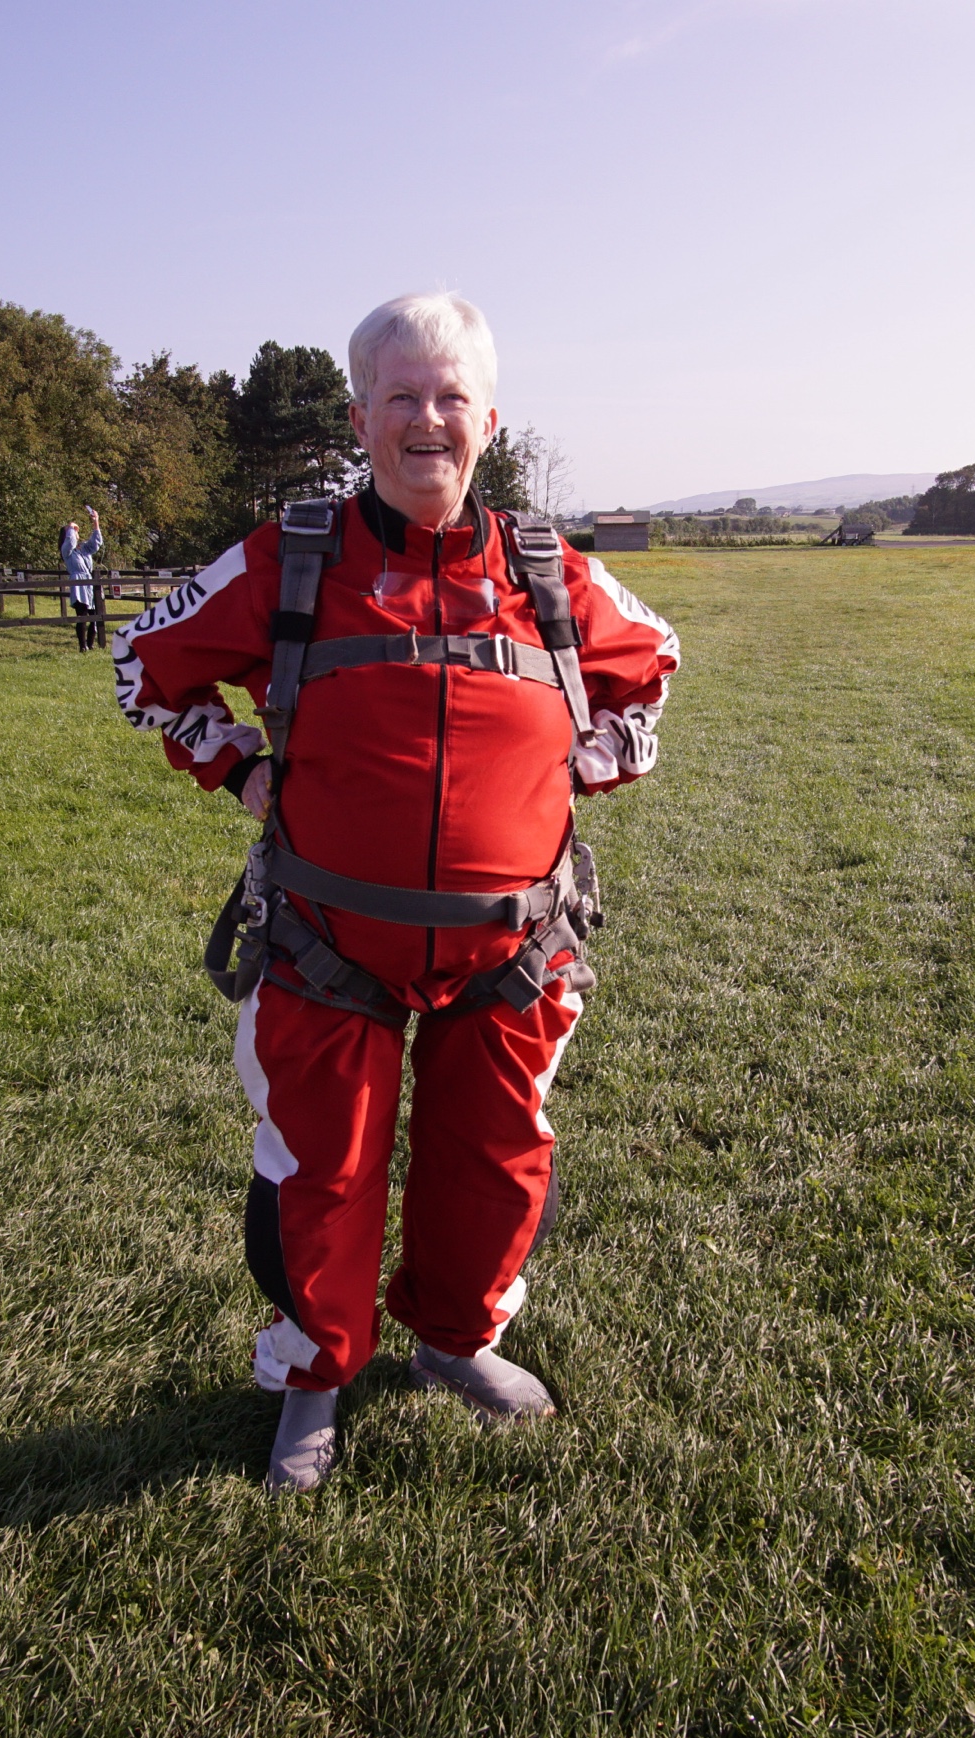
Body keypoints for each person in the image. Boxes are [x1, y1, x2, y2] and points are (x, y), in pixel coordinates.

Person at [112, 294, 679, 1492]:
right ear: (360, 417)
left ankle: (456, 1342)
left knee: (493, 1164)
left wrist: (590, 761)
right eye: (402, 397)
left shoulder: (546, 570)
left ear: (488, 420)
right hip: (328, 947)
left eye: (451, 397)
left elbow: (653, 669)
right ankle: (314, 1376)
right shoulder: (291, 560)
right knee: (320, 1176)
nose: (428, 420)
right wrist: (237, 766)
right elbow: (142, 664)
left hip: (511, 954)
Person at [61, 506, 104, 650]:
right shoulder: (67, 551)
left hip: (90, 582)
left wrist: (96, 521)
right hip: (78, 584)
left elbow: (96, 542)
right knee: (82, 616)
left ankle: (91, 644)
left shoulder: (84, 548)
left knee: (94, 615)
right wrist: (71, 527)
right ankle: (82, 646)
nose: (76, 533)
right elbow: (70, 541)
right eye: (73, 532)